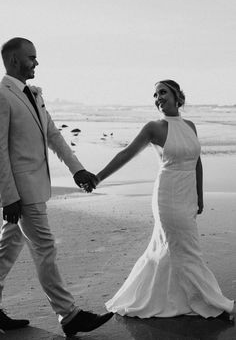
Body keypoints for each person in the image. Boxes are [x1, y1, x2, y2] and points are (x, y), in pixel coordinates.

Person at [87, 79, 235, 321]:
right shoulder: (153, 128)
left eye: (163, 92)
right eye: (155, 95)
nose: (158, 98)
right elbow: (126, 153)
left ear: (178, 97)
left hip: (187, 195)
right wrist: (98, 177)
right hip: (167, 196)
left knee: (170, 249)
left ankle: (171, 299)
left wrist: (199, 194)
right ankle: (215, 302)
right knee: (187, 249)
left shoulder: (190, 125)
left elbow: (197, 161)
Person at [0, 37, 113, 336]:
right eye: (31, 57)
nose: (37, 62)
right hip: (21, 194)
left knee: (7, 250)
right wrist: (8, 197)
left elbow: (53, 135)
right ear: (13, 61)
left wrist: (77, 170)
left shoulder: (33, 95)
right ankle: (69, 314)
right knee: (45, 247)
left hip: (33, 188)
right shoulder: (2, 95)